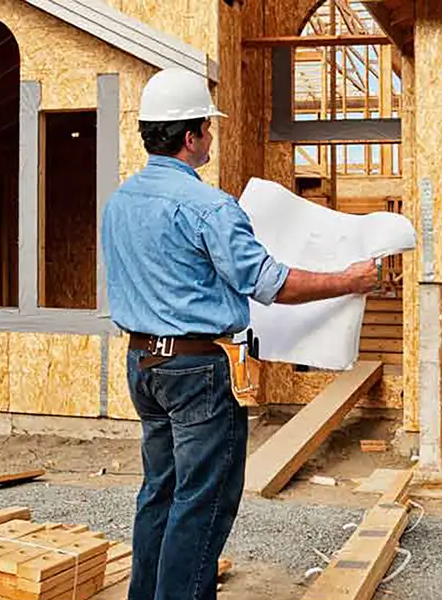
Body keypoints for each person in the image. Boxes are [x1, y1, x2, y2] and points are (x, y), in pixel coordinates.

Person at [101, 67, 382, 600]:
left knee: (160, 489)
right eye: (207, 128)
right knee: (202, 499)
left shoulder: (120, 204)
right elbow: (269, 283)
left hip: (143, 365)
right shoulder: (208, 206)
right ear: (190, 137)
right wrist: (349, 279)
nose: (210, 136)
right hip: (197, 372)